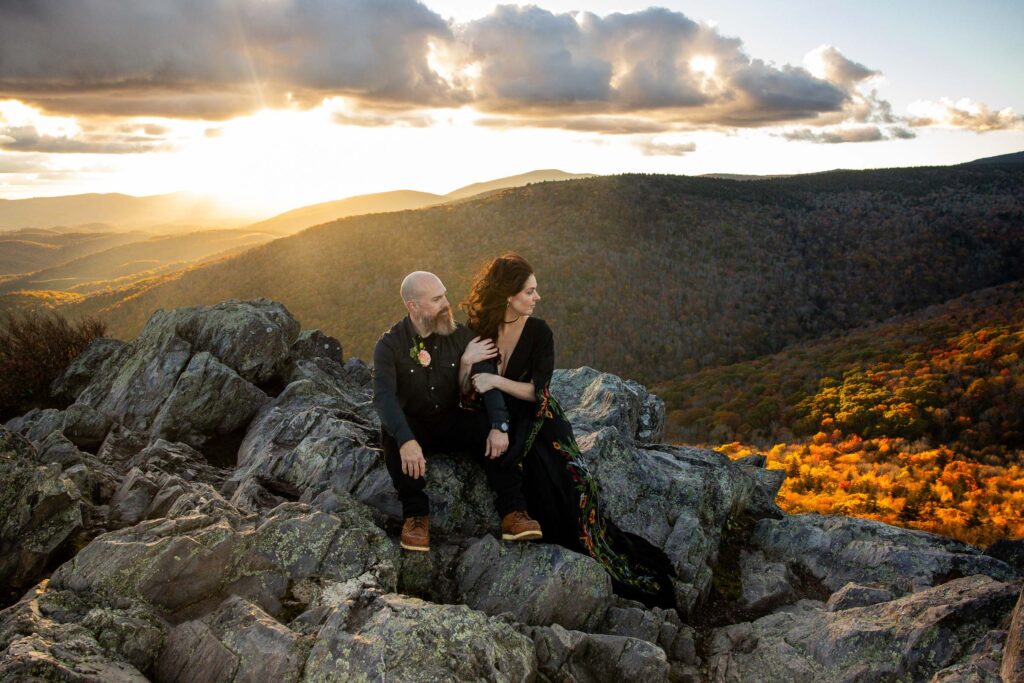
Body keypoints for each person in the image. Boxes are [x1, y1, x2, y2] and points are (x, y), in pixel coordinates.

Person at [460, 254, 676, 608]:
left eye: (535, 290)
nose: (537, 297)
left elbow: (538, 391)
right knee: (533, 484)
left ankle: (606, 554)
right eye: (530, 291)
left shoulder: (539, 332)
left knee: (572, 486)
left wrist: (496, 379)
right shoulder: (480, 331)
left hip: (538, 417)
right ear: (509, 295)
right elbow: (464, 389)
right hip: (496, 417)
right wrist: (466, 361)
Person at [373, 270, 542, 552]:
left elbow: (487, 381)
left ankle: (514, 513)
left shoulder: (463, 335)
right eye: (437, 299)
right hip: (416, 424)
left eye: (445, 295)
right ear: (413, 306)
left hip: (453, 420)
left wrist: (499, 426)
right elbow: (383, 397)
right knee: (391, 435)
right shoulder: (390, 345)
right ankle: (416, 517)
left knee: (490, 427)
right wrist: (406, 440)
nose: (446, 303)